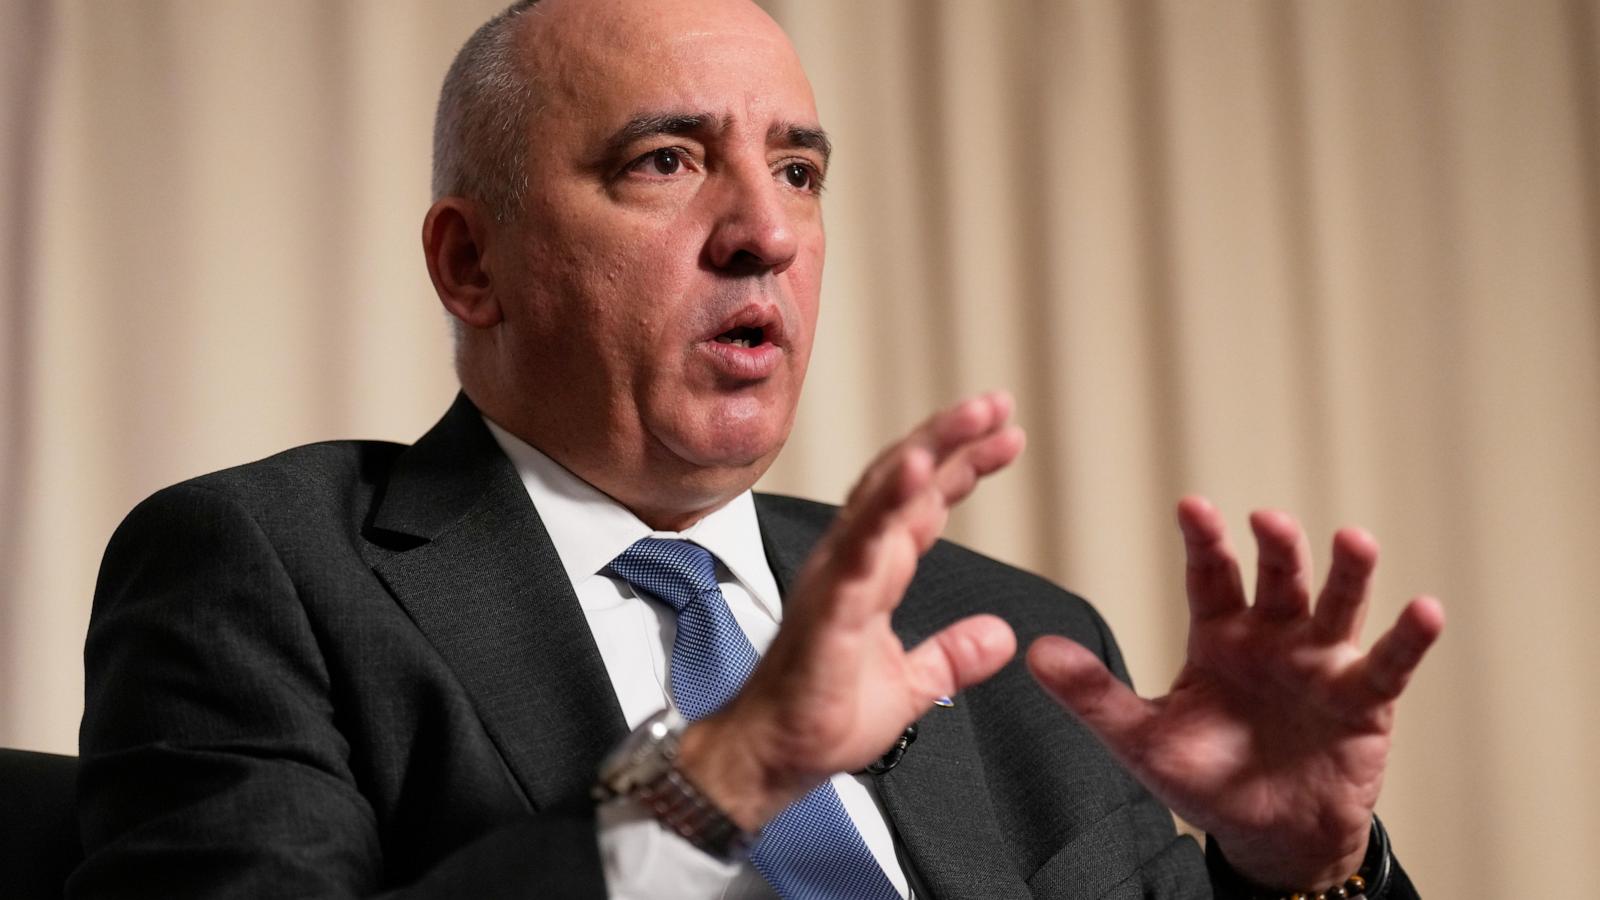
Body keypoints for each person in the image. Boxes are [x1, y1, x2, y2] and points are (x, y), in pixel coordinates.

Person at [73, 0, 1444, 897]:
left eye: (797, 171)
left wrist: (1298, 873)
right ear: (471, 262)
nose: (767, 233)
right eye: (664, 161)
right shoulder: (270, 570)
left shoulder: (1011, 636)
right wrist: (716, 779)